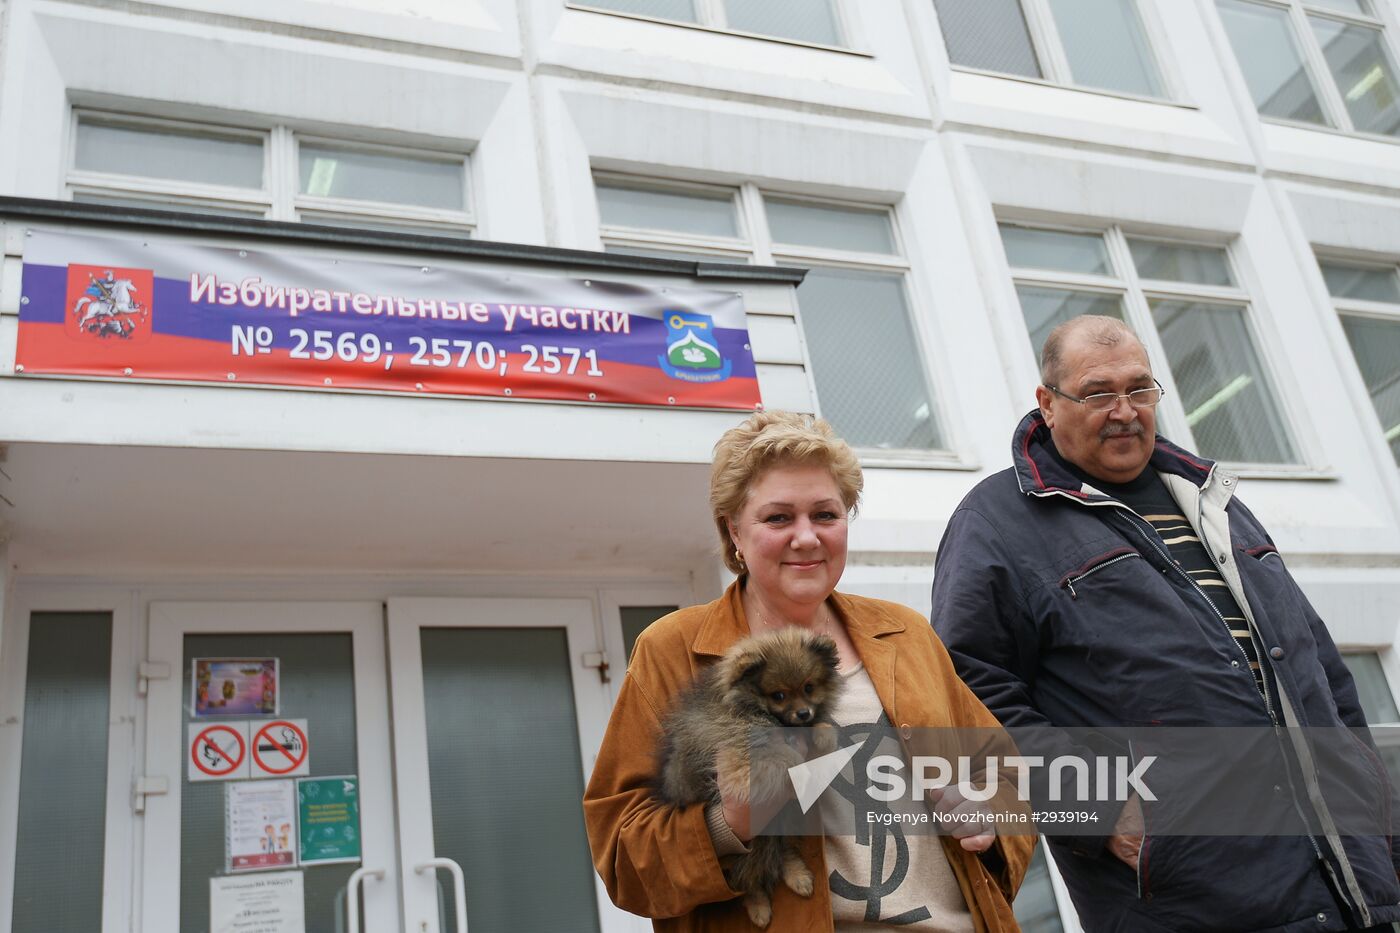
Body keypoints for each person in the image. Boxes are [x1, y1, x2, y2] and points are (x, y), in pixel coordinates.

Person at [931, 314, 1400, 932]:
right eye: (1099, 392)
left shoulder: (1211, 500)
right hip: (1192, 901)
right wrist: (1095, 810)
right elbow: (968, 689)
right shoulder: (996, 524)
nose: (1125, 410)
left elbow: (1321, 672)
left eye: (1140, 389)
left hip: (1353, 888)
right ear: (1047, 403)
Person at [585, 411, 1034, 932]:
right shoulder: (674, 651)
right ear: (734, 529)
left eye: (825, 514)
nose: (806, 537)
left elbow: (1006, 773)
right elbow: (622, 854)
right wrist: (729, 824)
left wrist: (988, 813)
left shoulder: (906, 636)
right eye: (778, 518)